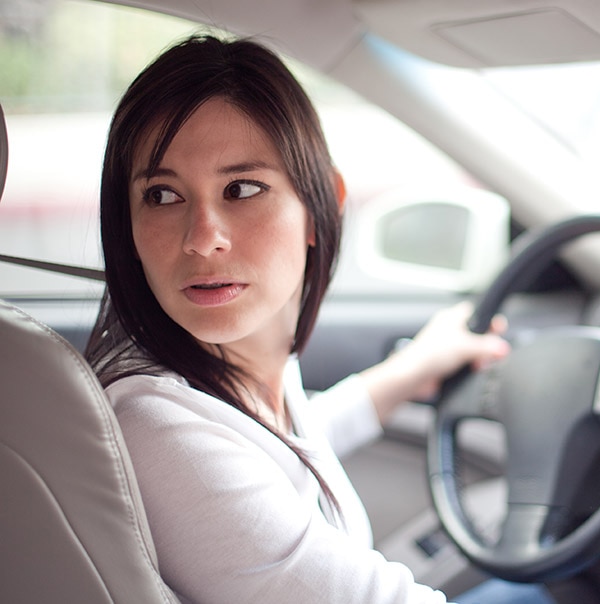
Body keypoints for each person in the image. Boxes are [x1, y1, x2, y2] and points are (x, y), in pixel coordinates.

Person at [84, 33, 554, 603]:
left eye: (242, 188)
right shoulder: (159, 430)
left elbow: (276, 451)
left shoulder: (243, 368)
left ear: (321, 205)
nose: (203, 239)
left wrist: (404, 375)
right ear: (127, 226)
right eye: (161, 196)